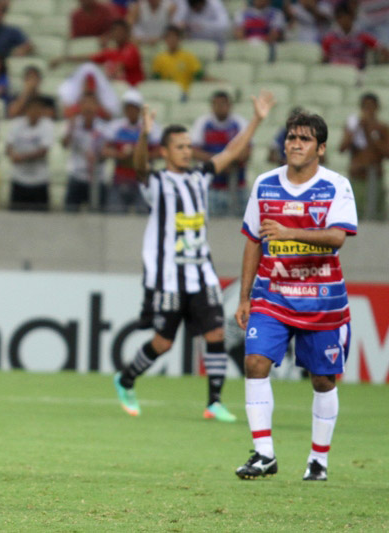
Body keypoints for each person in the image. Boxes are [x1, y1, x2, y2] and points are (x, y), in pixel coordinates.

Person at [113, 90, 275, 421]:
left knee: (215, 334)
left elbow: (231, 152)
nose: (187, 152)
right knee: (163, 343)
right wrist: (144, 133)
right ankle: (126, 378)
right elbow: (139, 165)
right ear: (166, 151)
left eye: (189, 146)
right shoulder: (156, 182)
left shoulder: (200, 178)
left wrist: (256, 119)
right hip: (169, 277)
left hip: (202, 272)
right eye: (180, 147)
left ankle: (214, 401)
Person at [234, 110, 357, 482]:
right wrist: (244, 297)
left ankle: (318, 460)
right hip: (273, 294)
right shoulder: (265, 184)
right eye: (291, 137)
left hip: (322, 301)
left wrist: (288, 232)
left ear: (320, 148)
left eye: (304, 139)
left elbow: (337, 237)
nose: (295, 144)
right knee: (255, 362)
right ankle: (263, 454)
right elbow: (253, 241)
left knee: (323, 380)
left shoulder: (337, 185)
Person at [190, 91, 249, 216]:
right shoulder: (203, 123)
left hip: (236, 185)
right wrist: (220, 162)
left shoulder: (239, 123)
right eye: (217, 104)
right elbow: (193, 152)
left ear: (230, 105)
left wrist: (227, 162)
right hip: (211, 186)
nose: (220, 107)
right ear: (212, 106)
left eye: (223, 104)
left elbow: (246, 152)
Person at [102, 89, 159, 213]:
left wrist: (140, 156)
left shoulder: (150, 127)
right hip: (120, 179)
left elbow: (159, 152)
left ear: (139, 110)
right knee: (115, 215)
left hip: (143, 181)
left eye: (134, 108)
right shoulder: (116, 127)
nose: (131, 111)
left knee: (143, 216)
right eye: (128, 108)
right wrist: (119, 155)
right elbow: (104, 150)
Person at [339, 93, 389, 219]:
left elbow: (386, 152)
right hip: (357, 177)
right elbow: (342, 148)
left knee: (376, 218)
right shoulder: (354, 126)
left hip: (375, 178)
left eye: (371, 107)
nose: (369, 111)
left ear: (377, 108)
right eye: (365, 107)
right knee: (354, 215)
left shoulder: (382, 128)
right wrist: (355, 130)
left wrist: (371, 134)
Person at [52, 20, 144, 86]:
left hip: (131, 90)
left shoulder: (132, 49)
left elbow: (120, 67)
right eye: (115, 31)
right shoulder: (110, 52)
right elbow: (88, 58)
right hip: (114, 89)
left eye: (120, 31)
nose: (117, 34)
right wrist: (63, 58)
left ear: (127, 33)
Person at [6, 96, 55, 211]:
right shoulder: (16, 124)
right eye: (32, 109)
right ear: (26, 110)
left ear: (42, 111)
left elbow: (44, 151)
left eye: (38, 109)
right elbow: (8, 146)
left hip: (39, 181)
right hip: (19, 180)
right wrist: (12, 154)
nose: (35, 112)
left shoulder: (47, 125)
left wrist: (21, 157)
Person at [63, 92, 107, 211]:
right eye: (85, 103)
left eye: (91, 103)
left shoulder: (103, 127)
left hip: (97, 178)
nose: (88, 107)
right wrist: (70, 130)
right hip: (77, 176)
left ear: (97, 107)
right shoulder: (73, 123)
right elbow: (64, 144)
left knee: (98, 218)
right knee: (69, 215)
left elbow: (106, 152)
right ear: (80, 106)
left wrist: (98, 155)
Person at [321, 4, 389, 69]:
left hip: (356, 73)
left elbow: (382, 49)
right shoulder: (329, 38)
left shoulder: (362, 36)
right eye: (340, 17)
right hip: (336, 72)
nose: (343, 20)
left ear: (352, 17)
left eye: (345, 16)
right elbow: (324, 58)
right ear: (336, 19)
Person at [151, 25, 203, 94]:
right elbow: (156, 80)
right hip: (165, 94)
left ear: (179, 39)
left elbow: (199, 76)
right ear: (165, 39)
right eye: (169, 37)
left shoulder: (188, 57)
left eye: (174, 37)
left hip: (184, 94)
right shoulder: (159, 58)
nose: (172, 40)